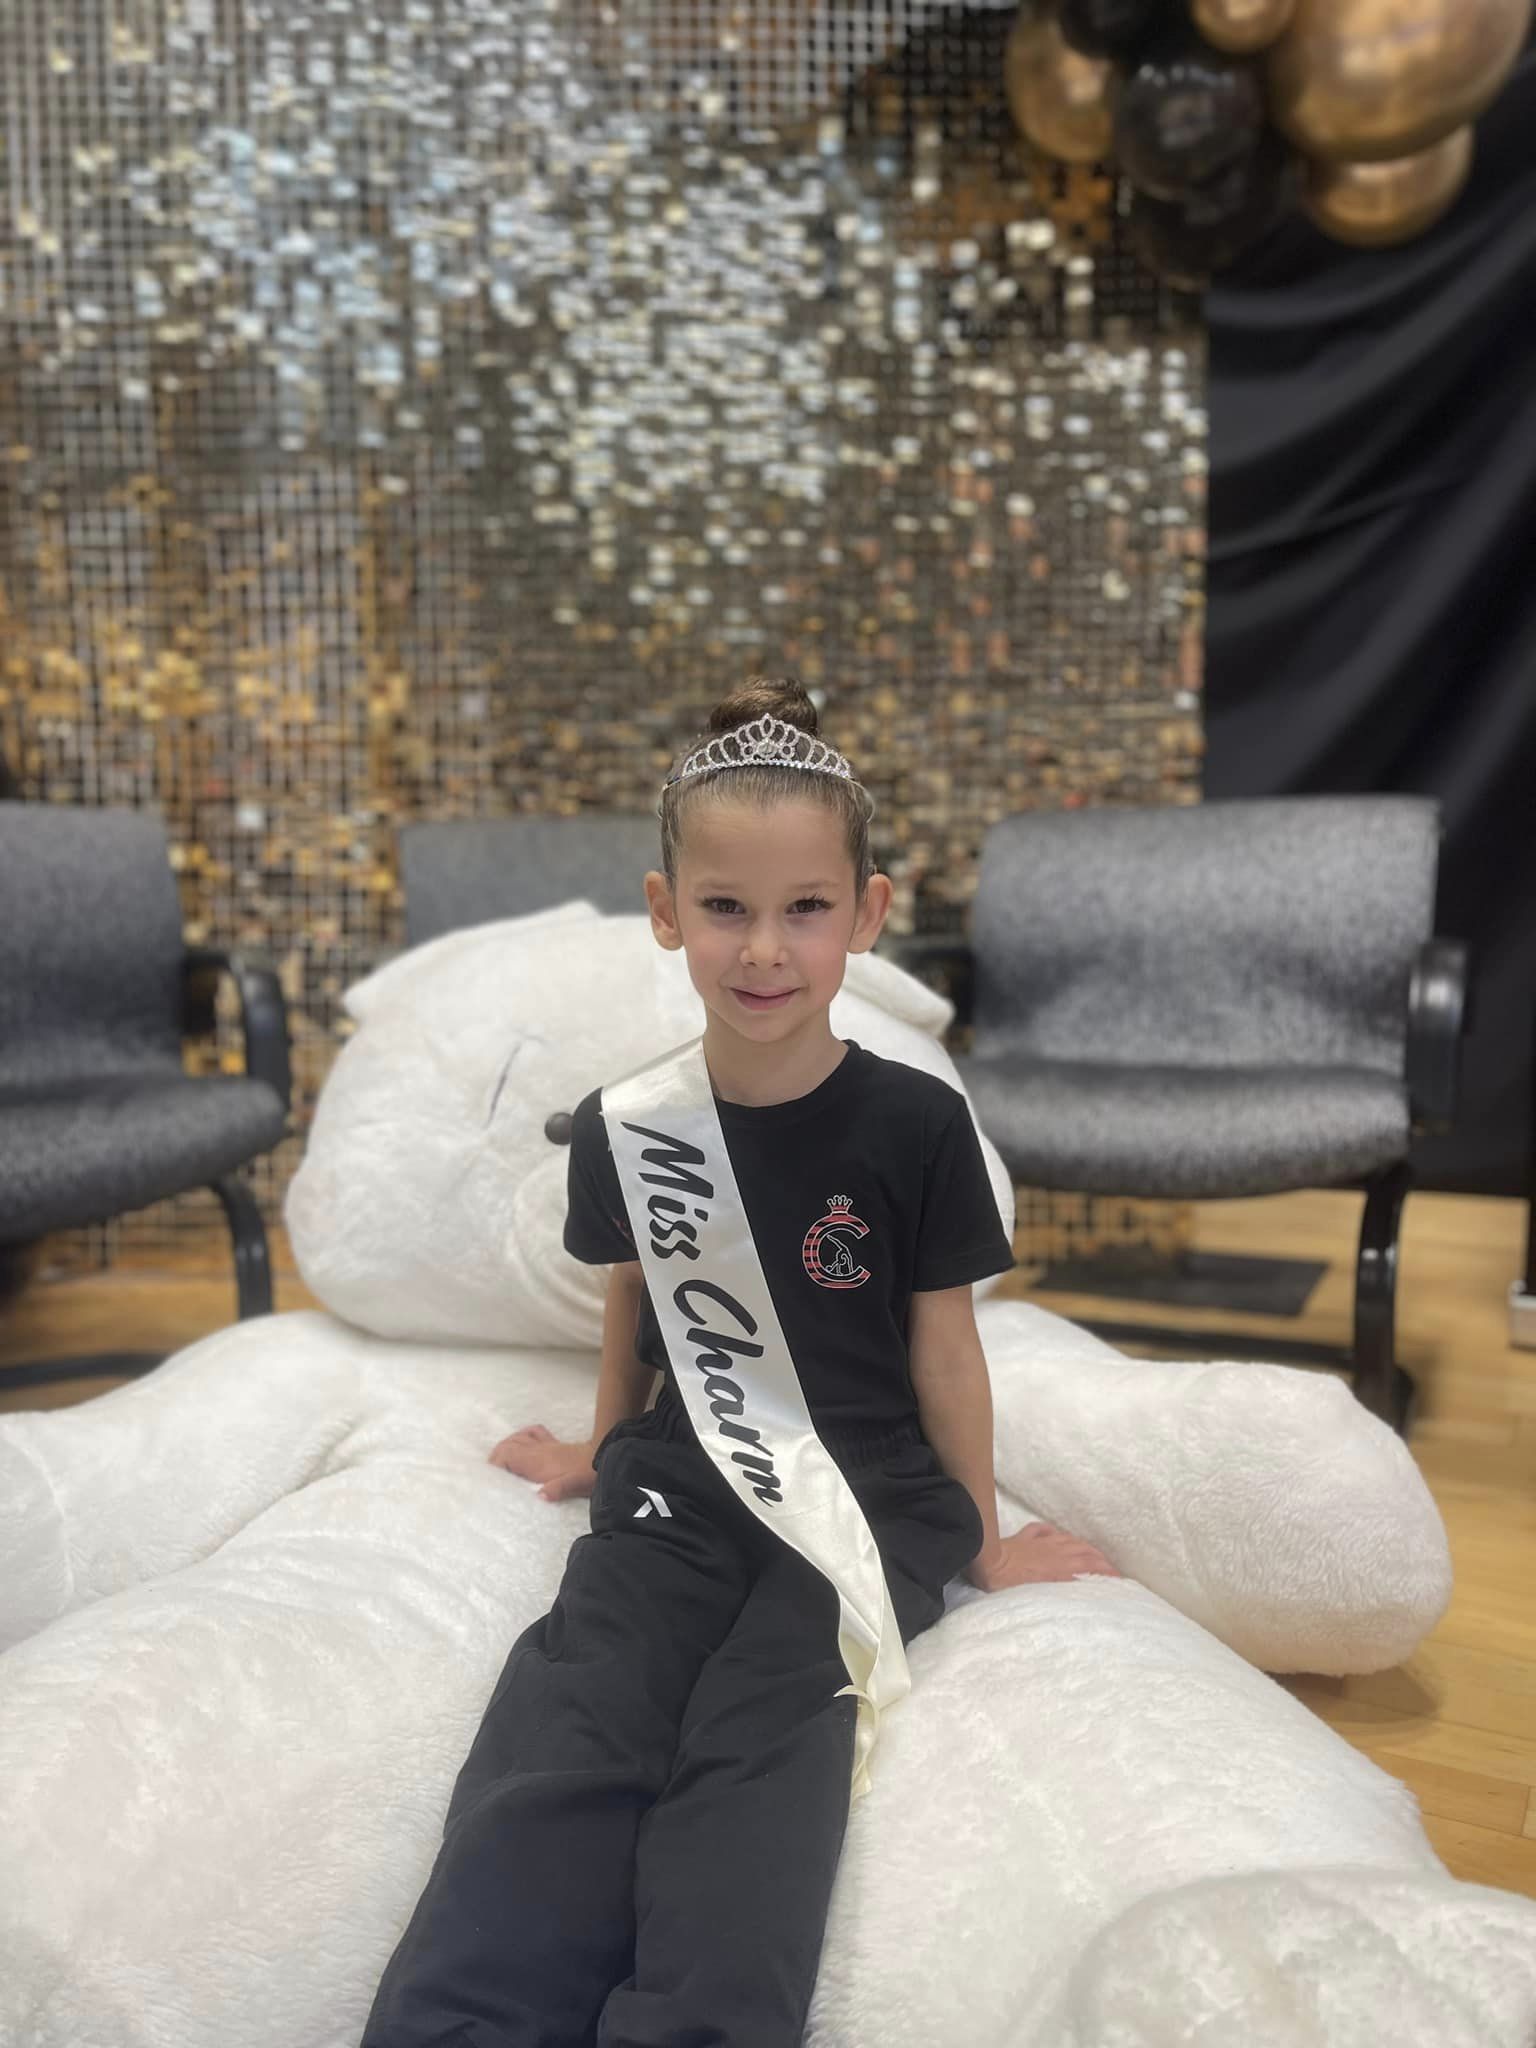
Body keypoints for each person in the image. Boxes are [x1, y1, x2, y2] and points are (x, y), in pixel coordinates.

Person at [362, 676, 1119, 2048]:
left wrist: (983, 1537)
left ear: (867, 914)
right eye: (725, 907)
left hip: (866, 1493)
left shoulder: (919, 1124)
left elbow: (948, 1350)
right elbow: (633, 1303)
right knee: (578, 1708)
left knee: (771, 1737)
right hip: (679, 1475)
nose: (765, 949)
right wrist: (605, 1447)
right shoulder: (627, 1126)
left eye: (805, 908)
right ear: (666, 912)